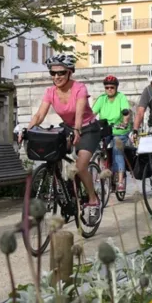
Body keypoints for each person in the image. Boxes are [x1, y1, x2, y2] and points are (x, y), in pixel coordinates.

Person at [23, 53, 101, 224]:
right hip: (67, 127)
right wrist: (26, 130)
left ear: (70, 72)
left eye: (61, 73)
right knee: (51, 153)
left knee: (81, 166)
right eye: (53, 73)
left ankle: (93, 199)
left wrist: (77, 129)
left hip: (87, 129)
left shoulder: (79, 88)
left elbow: (79, 113)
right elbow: (39, 115)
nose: (57, 77)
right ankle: (64, 189)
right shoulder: (50, 92)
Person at [92, 75, 131, 191]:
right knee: (97, 145)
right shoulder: (101, 99)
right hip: (106, 129)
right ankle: (103, 166)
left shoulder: (121, 97)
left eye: (112, 87)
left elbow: (126, 112)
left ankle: (120, 182)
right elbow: (92, 114)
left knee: (117, 151)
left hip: (119, 129)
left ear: (116, 87)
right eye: (107, 87)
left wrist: (124, 122)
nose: (109, 89)